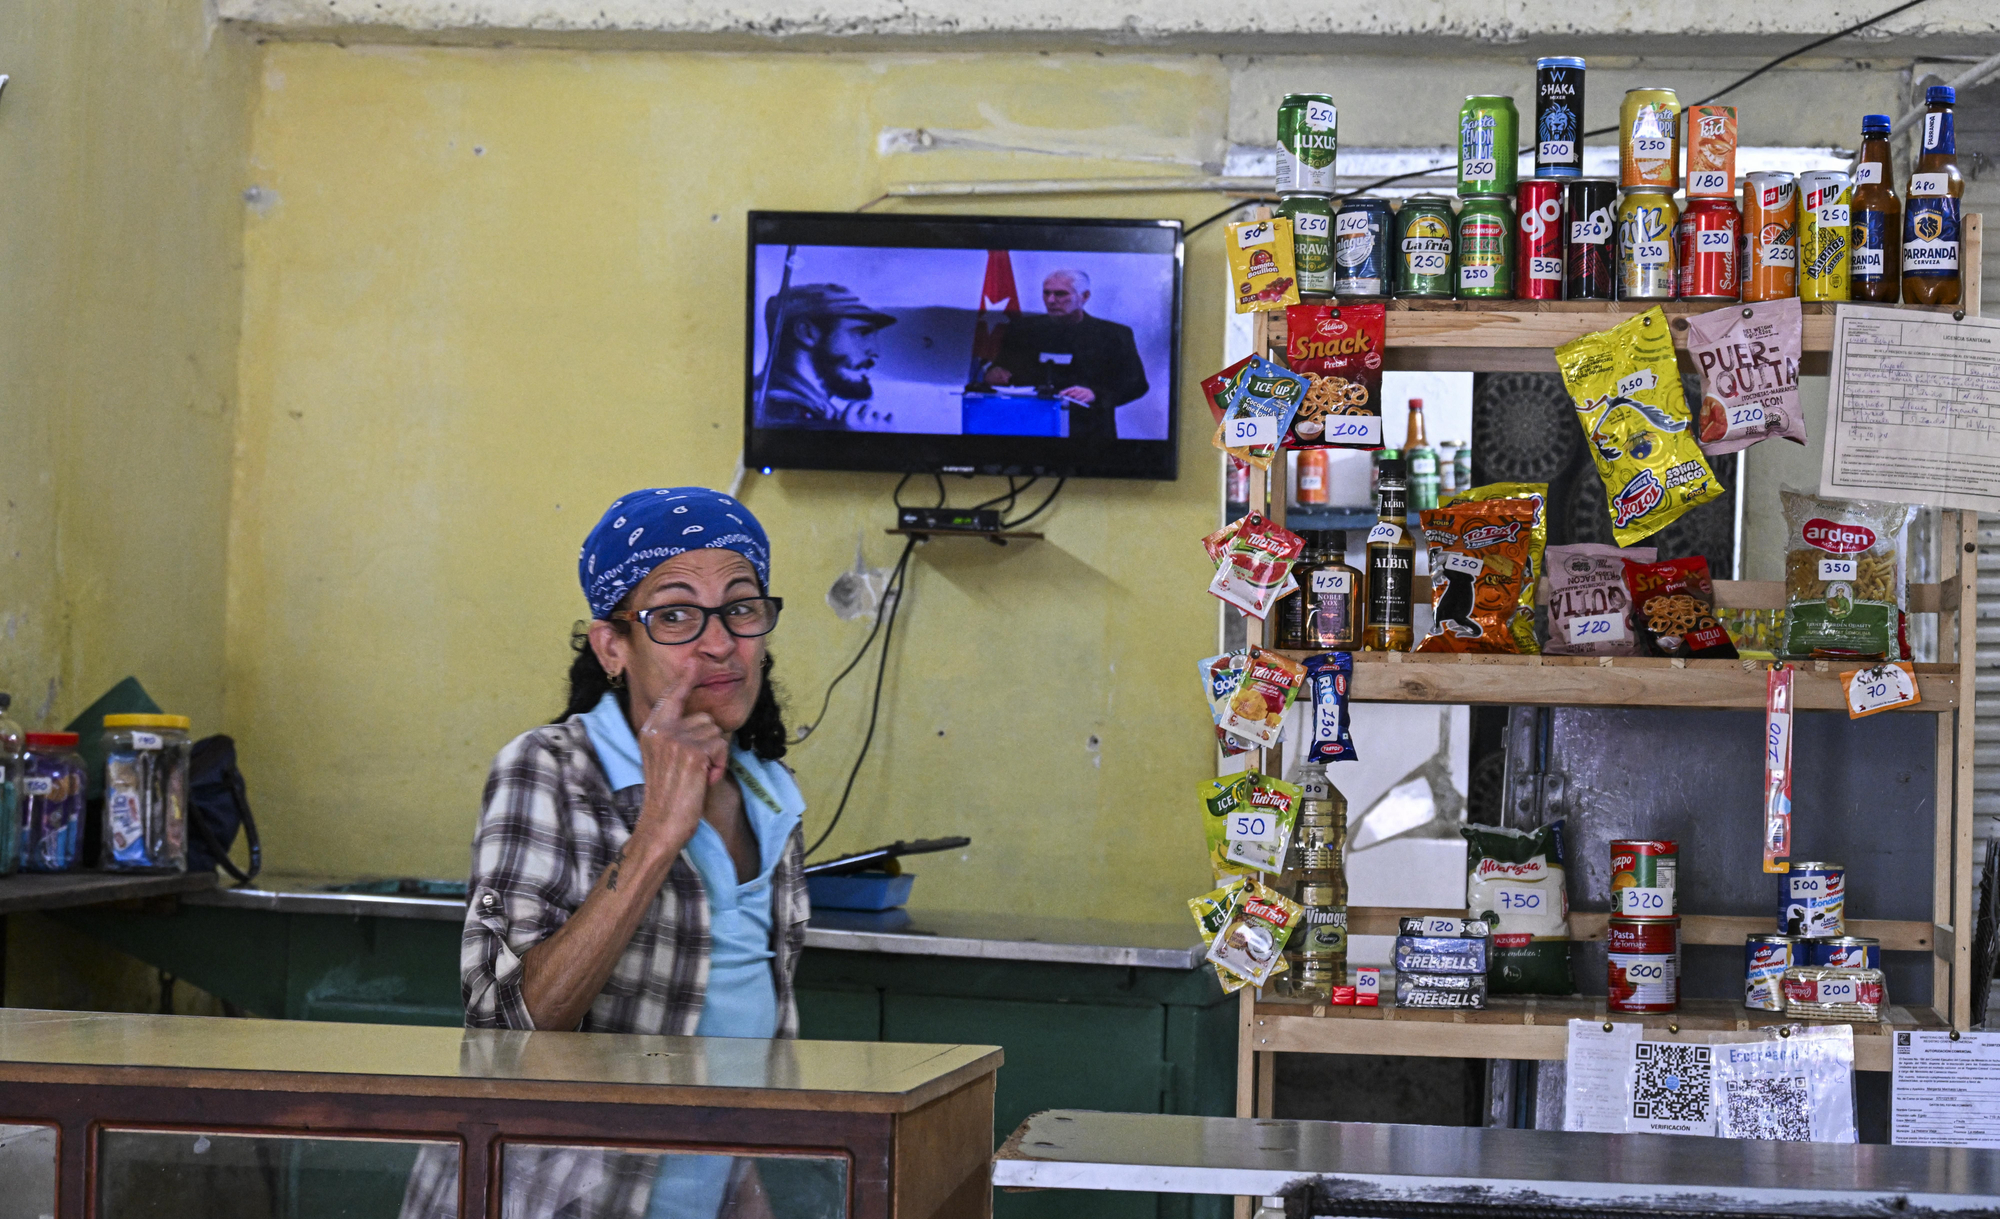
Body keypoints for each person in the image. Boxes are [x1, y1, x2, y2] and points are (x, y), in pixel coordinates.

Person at [400, 487, 805, 1219]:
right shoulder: (551, 770)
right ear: (613, 646)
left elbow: (734, 1058)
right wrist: (655, 835)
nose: (719, 642)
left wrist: (742, 1192)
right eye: (675, 614)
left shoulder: (772, 797)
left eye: (741, 607)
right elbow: (503, 1031)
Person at [982, 269, 1148, 442]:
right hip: (1029, 429)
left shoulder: (1113, 335)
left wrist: (1095, 395)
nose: (1051, 300)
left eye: (1060, 294)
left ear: (1084, 296)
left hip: (1088, 434)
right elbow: (1000, 368)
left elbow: (1136, 384)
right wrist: (994, 373)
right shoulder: (1023, 330)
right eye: (1046, 293)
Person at [755, 283, 897, 430]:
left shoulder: (821, 415)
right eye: (861, 332)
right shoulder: (772, 412)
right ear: (807, 333)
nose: (875, 351)